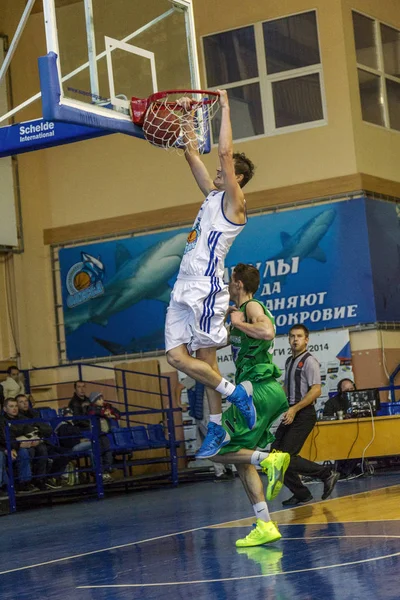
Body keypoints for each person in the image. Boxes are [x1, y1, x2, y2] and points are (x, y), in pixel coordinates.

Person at [165, 90, 257, 459]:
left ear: (238, 177)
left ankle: (221, 419)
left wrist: (225, 107)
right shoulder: (211, 197)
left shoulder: (235, 204)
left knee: (206, 359)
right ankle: (229, 402)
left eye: (225, 170)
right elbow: (191, 154)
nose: (218, 170)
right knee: (177, 358)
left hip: (205, 287)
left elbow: (222, 153)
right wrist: (186, 116)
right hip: (183, 284)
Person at [208, 263, 290, 547]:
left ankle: (269, 459)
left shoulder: (252, 307)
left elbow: (267, 332)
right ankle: (264, 523)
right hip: (262, 391)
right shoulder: (239, 316)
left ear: (239, 284)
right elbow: (217, 342)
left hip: (257, 390)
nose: (228, 286)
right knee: (241, 459)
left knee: (215, 450)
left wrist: (239, 321)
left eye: (231, 281)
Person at [271, 324, 340, 506]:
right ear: (288, 339)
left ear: (306, 340)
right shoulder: (288, 361)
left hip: (303, 413)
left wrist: (294, 409)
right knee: (274, 455)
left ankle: (326, 474)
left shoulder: (309, 361)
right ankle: (301, 494)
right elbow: (287, 388)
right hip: (291, 411)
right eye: (292, 336)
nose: (295, 339)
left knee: (286, 456)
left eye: (299, 336)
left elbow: (316, 390)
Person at [87, 392, 120, 481]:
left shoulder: (106, 406)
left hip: (104, 434)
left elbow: (117, 412)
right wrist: (104, 412)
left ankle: (106, 471)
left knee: (108, 453)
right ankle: (100, 473)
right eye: (100, 399)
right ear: (95, 401)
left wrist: (112, 414)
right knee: (99, 454)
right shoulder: (91, 408)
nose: (103, 401)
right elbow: (93, 412)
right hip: (96, 435)